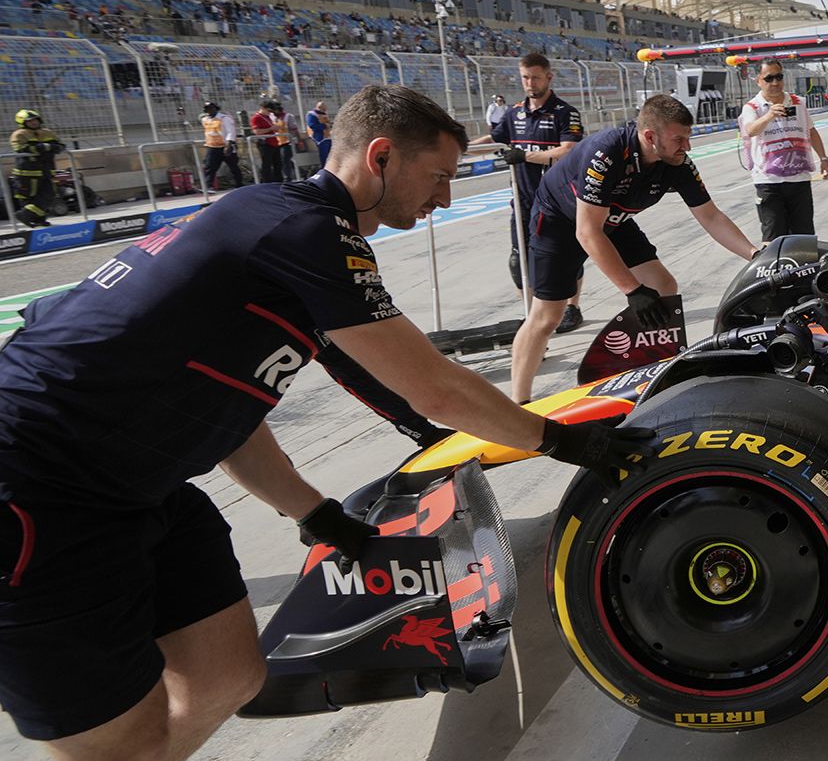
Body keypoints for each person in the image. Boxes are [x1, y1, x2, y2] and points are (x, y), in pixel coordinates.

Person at [0, 84, 654, 758]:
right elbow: (435, 387)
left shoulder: (284, 222)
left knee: (229, 677)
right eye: (438, 177)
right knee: (113, 741)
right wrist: (565, 441)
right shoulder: (306, 227)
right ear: (380, 157)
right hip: (39, 488)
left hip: (143, 482)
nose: (445, 198)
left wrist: (314, 511)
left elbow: (229, 403)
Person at [507, 95, 758, 405]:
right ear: (650, 137)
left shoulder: (676, 161)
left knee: (663, 286)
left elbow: (711, 216)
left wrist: (753, 253)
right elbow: (587, 232)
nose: (687, 147)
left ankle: (651, 368)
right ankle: (518, 401)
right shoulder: (607, 153)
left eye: (688, 138)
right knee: (547, 317)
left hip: (613, 217)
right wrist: (631, 289)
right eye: (679, 139)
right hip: (561, 220)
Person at [490, 53, 586, 333]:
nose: (530, 83)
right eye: (525, 77)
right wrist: (458, 143)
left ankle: (572, 307)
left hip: (557, 200)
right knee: (518, 261)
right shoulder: (514, 113)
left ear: (549, 77)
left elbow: (568, 150)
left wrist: (525, 156)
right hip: (521, 199)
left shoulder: (565, 113)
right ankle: (532, 316)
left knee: (566, 258)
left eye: (535, 77)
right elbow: (494, 138)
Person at [738, 61, 828, 242]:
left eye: (778, 77)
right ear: (759, 81)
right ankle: (775, 270)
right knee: (773, 236)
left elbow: (811, 131)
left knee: (804, 235)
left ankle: (805, 269)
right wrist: (770, 115)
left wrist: (824, 159)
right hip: (768, 182)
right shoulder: (752, 107)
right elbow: (750, 131)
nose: (775, 82)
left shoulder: (797, 102)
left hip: (799, 178)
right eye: (769, 78)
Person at [8, 110, 61, 227]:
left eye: (35, 120)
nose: (33, 123)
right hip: (27, 173)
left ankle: (26, 214)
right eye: (30, 121)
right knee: (28, 197)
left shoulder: (48, 133)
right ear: (23, 123)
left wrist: (42, 147)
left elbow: (60, 147)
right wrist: (47, 148)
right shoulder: (19, 134)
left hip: (47, 171)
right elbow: (22, 149)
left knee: (49, 194)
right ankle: (37, 219)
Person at [249, 97, 293, 183]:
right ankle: (266, 182)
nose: (270, 113)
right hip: (265, 144)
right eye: (269, 111)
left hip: (274, 143)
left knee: (278, 164)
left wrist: (275, 128)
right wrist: (271, 128)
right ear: (263, 108)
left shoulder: (268, 117)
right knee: (267, 164)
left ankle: (279, 181)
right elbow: (256, 131)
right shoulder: (256, 118)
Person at [200, 102, 241, 191]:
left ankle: (240, 184)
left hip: (226, 146)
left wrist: (229, 144)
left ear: (215, 108)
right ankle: (208, 186)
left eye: (208, 108)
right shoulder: (205, 119)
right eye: (205, 109)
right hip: (213, 146)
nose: (206, 111)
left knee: (233, 166)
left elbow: (231, 131)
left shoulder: (224, 118)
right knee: (209, 166)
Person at [305, 100, 331, 168]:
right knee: (324, 156)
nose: (325, 110)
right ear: (319, 107)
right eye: (323, 109)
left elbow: (327, 123)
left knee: (330, 156)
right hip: (319, 138)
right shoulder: (311, 114)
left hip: (327, 137)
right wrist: (325, 126)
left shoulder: (324, 114)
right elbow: (312, 125)